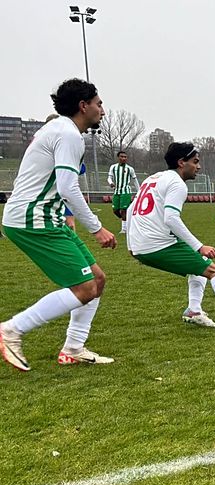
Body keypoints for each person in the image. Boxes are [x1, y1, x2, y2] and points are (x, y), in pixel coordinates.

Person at [0, 78, 117, 371]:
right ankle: (11, 330)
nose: (102, 110)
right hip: (33, 218)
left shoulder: (55, 129)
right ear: (83, 105)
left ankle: (74, 348)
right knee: (85, 287)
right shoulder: (68, 134)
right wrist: (96, 227)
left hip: (41, 216)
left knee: (97, 279)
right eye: (99, 104)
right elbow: (67, 188)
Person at [127, 142, 215, 329]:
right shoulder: (177, 183)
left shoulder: (153, 178)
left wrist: (130, 245)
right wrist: (199, 245)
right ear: (181, 162)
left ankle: (193, 310)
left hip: (140, 245)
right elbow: (171, 218)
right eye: (195, 161)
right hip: (156, 244)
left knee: (200, 264)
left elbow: (130, 210)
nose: (199, 166)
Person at [107, 150, 139, 233]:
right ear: (118, 157)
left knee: (123, 210)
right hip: (117, 191)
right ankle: (128, 221)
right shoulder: (113, 167)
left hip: (126, 191)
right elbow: (109, 177)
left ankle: (124, 229)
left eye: (125, 157)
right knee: (115, 210)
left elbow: (135, 180)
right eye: (122, 156)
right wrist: (111, 183)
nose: (124, 158)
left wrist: (139, 191)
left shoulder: (130, 169)